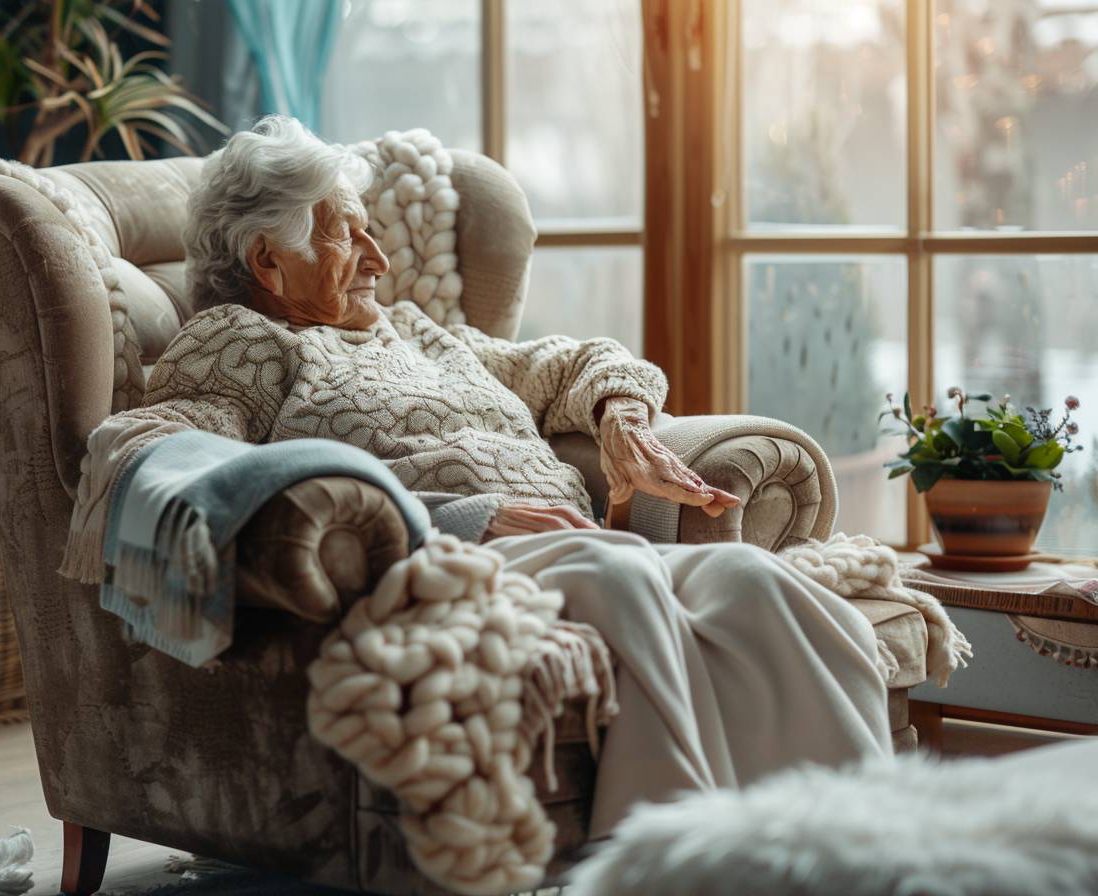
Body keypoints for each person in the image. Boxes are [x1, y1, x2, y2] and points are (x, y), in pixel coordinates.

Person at [66, 116, 891, 837]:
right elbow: (191, 464)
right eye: (349, 234)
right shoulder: (242, 342)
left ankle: (865, 834)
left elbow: (569, 362)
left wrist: (624, 423)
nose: (379, 260)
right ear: (268, 263)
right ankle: (660, 855)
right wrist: (464, 516)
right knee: (620, 570)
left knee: (748, 576)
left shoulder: (423, 333)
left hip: (573, 541)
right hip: (441, 561)